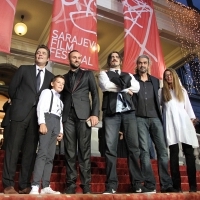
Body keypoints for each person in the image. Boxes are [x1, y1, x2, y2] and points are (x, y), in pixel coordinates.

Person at [99, 51, 153, 194]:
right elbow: (105, 86)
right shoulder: (104, 73)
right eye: (112, 57)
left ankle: (136, 183)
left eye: (117, 57)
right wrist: (125, 88)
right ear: (109, 61)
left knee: (134, 148)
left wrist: (121, 86)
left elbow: (137, 88)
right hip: (111, 113)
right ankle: (111, 185)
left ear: (120, 61)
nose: (114, 59)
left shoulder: (128, 74)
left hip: (129, 113)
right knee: (110, 148)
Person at [2, 44, 54, 194]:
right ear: (35, 56)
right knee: (12, 149)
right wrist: (18, 103)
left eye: (43, 53)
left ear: (48, 58)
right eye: (38, 53)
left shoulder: (51, 77)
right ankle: (8, 184)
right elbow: (12, 88)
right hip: (19, 114)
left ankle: (24, 184)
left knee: (30, 151)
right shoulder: (24, 69)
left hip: (37, 118)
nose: (40, 54)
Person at [133, 55, 176, 193]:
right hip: (139, 119)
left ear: (148, 64)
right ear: (137, 65)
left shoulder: (156, 81)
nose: (142, 65)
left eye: (144, 62)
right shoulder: (132, 80)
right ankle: (150, 184)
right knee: (144, 151)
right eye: (140, 63)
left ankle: (166, 184)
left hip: (156, 118)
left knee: (162, 151)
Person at [62, 50, 99, 194]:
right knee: (70, 152)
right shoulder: (63, 77)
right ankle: (70, 185)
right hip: (68, 117)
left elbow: (95, 94)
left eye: (79, 58)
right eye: (74, 57)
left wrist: (95, 113)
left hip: (84, 116)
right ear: (69, 59)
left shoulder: (88, 74)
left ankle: (86, 186)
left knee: (84, 151)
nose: (76, 59)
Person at [159, 68, 199, 192]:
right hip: (171, 126)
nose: (169, 77)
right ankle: (177, 186)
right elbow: (160, 109)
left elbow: (188, 108)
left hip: (184, 124)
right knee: (174, 155)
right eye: (166, 75)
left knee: (189, 155)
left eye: (170, 75)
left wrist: (192, 122)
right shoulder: (161, 92)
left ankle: (193, 186)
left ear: (174, 76)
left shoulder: (182, 91)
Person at [29, 75, 64, 194]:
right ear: (52, 83)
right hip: (47, 119)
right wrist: (42, 123)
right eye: (58, 82)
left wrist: (61, 131)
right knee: (42, 153)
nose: (60, 85)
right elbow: (41, 107)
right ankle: (35, 185)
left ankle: (45, 186)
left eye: (62, 83)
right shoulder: (47, 92)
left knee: (50, 156)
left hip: (56, 123)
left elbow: (60, 116)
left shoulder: (60, 101)